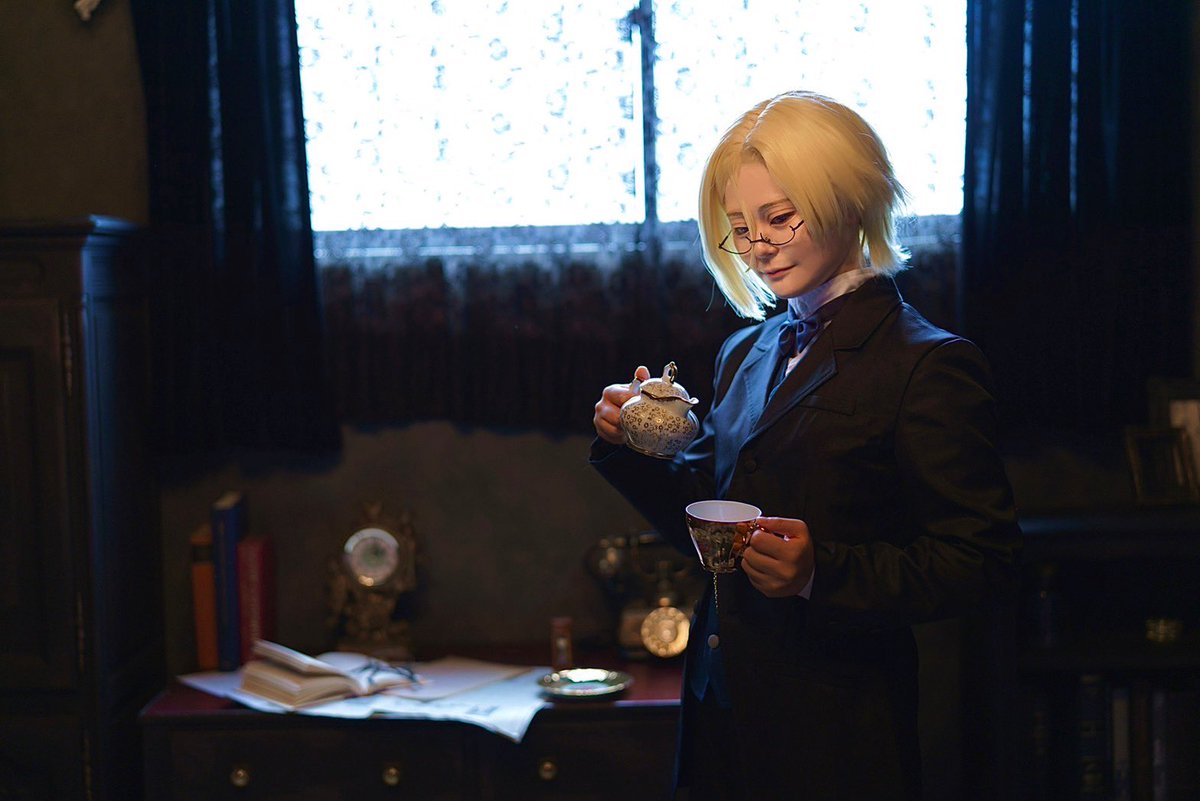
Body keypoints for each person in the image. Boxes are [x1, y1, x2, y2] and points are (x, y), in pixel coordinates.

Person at [589, 90, 1021, 800]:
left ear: (848, 199)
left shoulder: (927, 363)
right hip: (718, 710)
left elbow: (984, 562)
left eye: (779, 217)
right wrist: (631, 443)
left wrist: (823, 571)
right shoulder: (744, 351)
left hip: (839, 733)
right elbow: (710, 530)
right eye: (739, 227)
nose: (758, 245)